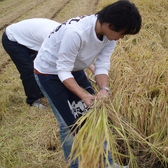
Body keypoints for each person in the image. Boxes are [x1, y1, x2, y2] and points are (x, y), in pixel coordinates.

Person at [34, 0, 142, 167]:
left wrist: (104, 90)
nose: (121, 38)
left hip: (74, 68)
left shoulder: (109, 36)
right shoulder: (76, 33)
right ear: (109, 25)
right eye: (123, 33)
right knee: (68, 125)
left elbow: (102, 65)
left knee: (95, 115)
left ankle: (109, 164)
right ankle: (76, 165)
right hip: (49, 72)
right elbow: (62, 71)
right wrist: (84, 95)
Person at [1, 18, 60, 109]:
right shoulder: (50, 36)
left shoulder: (62, 32)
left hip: (28, 38)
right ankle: (33, 100)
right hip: (12, 39)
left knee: (41, 63)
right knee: (29, 69)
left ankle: (41, 90)